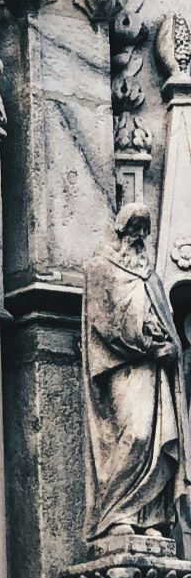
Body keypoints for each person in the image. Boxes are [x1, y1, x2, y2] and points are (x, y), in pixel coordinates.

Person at [83, 204, 186, 541]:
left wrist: (170, 348)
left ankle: (152, 517)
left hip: (155, 371)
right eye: (135, 228)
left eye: (145, 229)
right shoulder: (100, 268)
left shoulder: (152, 278)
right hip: (123, 367)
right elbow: (102, 324)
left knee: (161, 437)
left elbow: (169, 325)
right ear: (121, 229)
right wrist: (144, 342)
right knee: (136, 435)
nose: (140, 236)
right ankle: (116, 514)